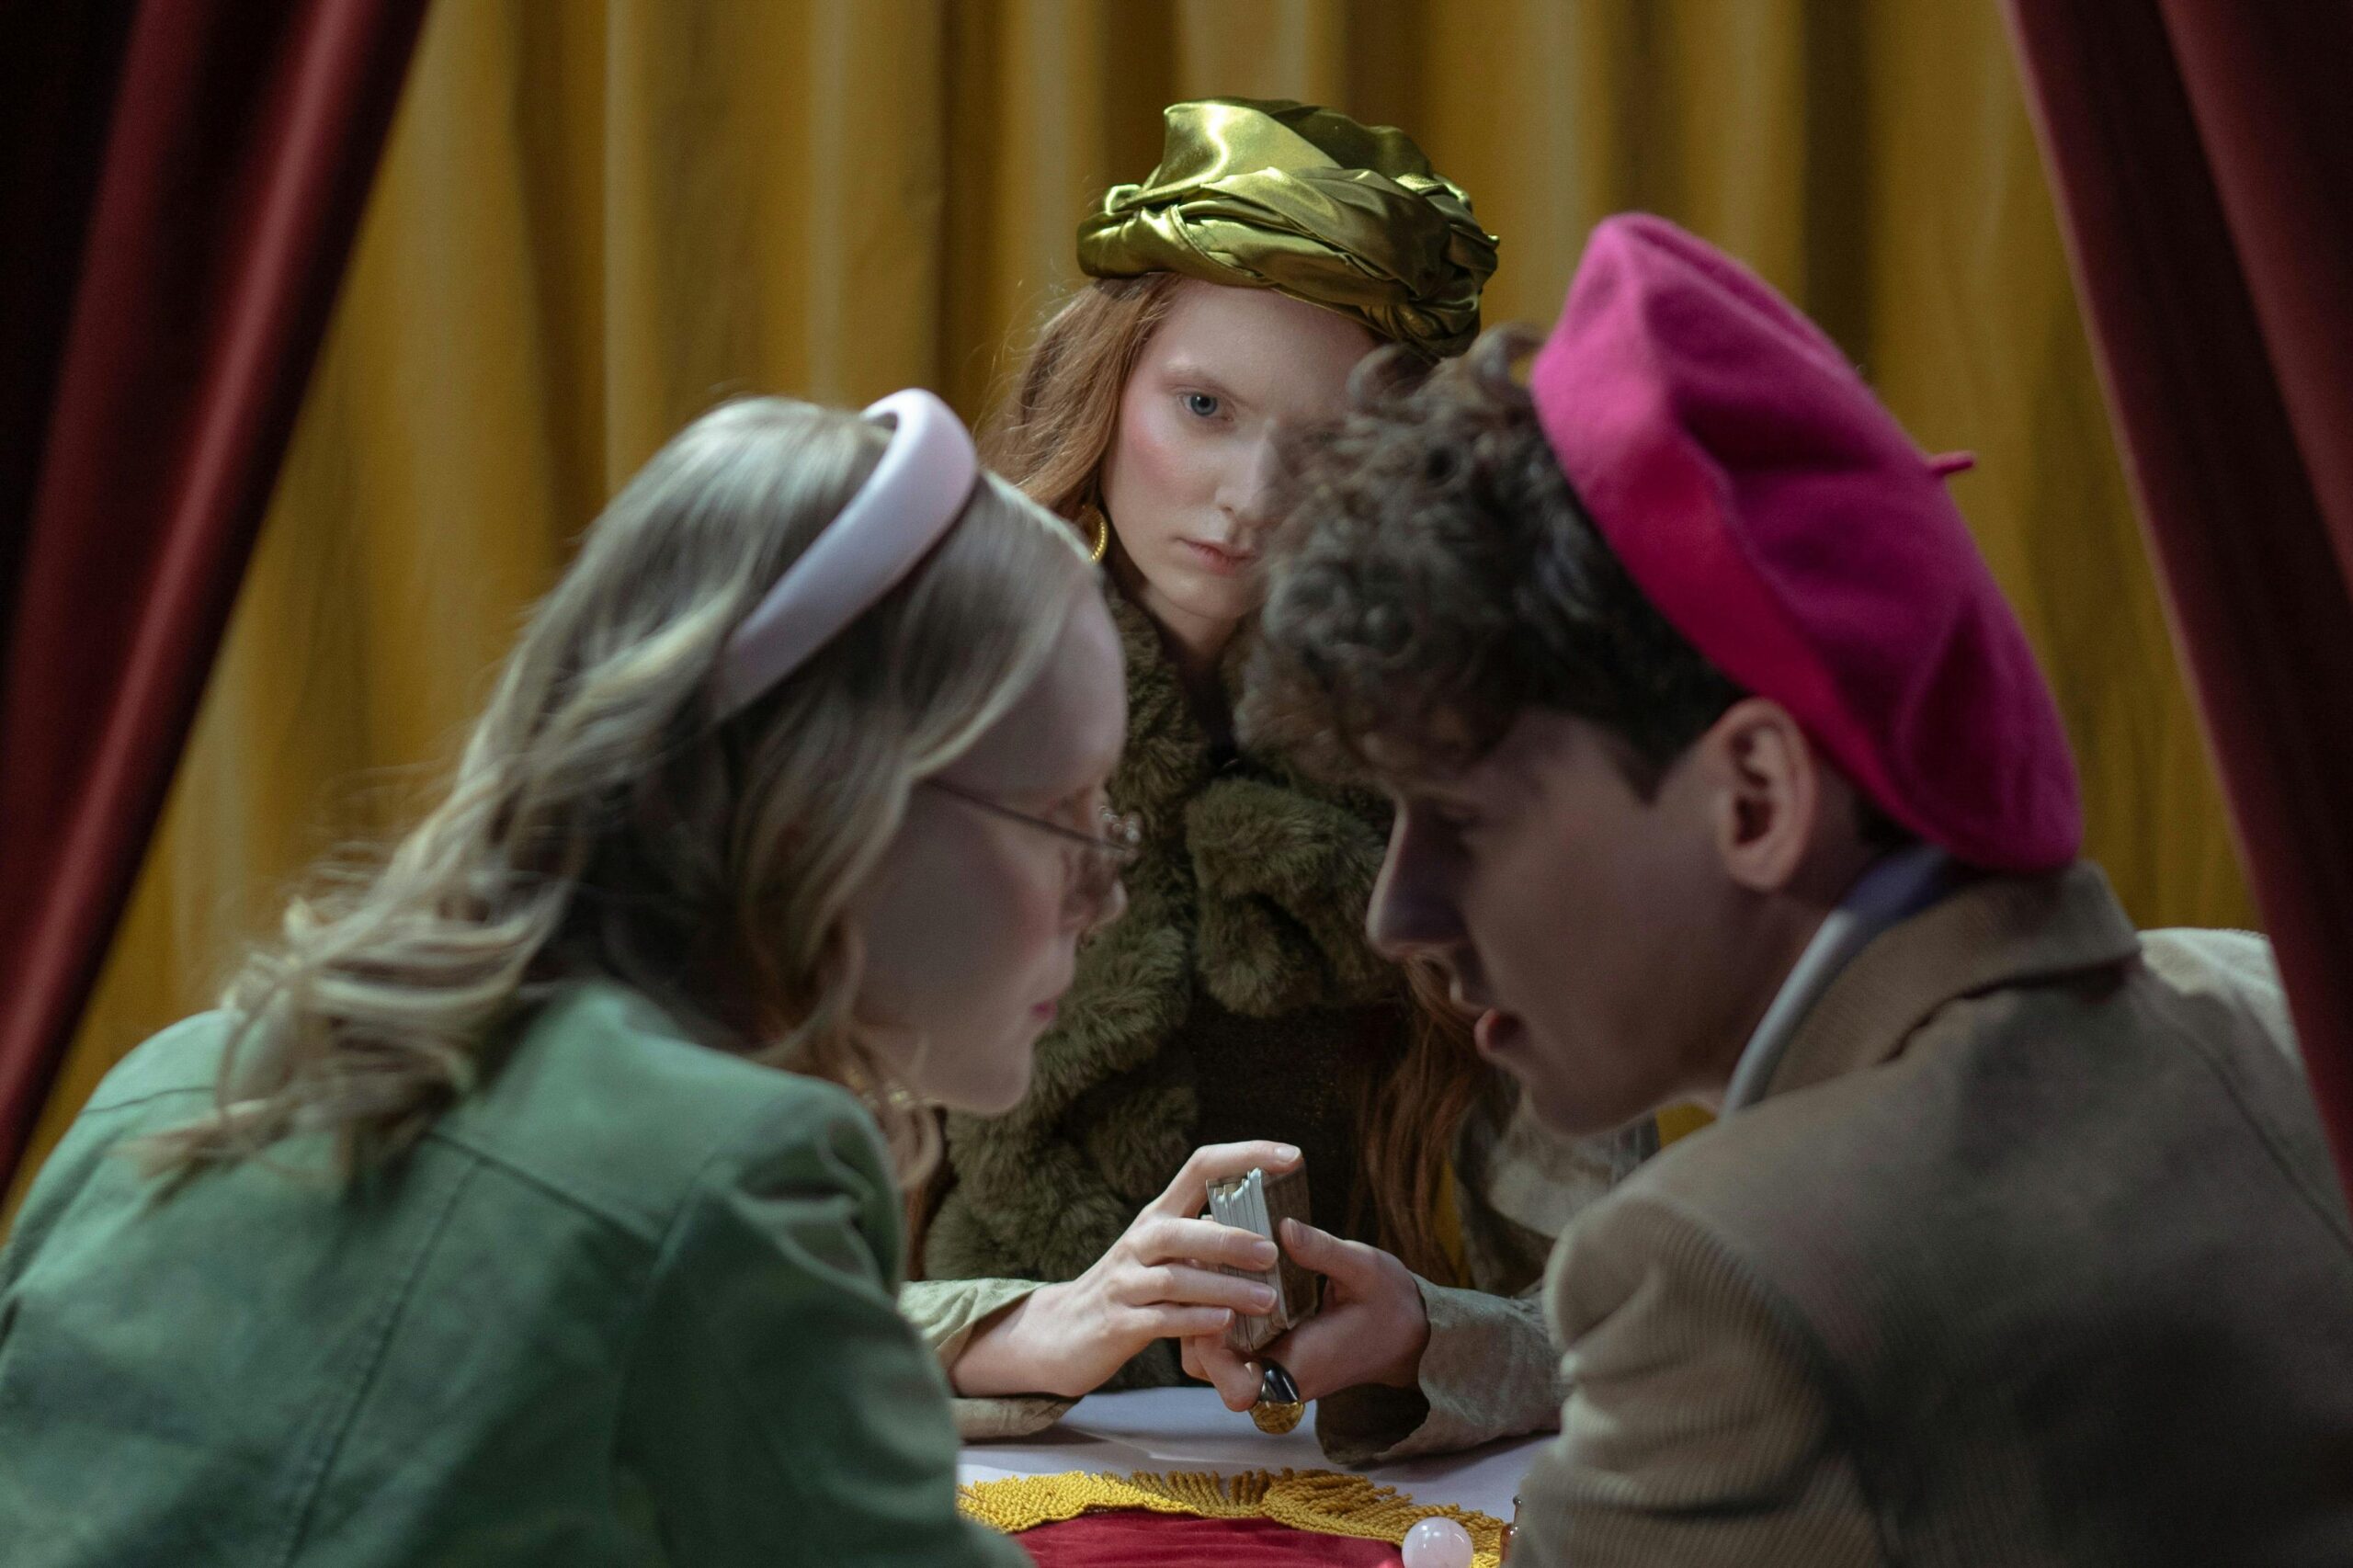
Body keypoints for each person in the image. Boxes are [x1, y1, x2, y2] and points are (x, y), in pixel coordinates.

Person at [1246, 213, 2353, 1562]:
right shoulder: (2282, 1007)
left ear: (1757, 799)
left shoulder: (1725, 1267)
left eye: (1464, 819)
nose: (1398, 914)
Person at [0, 392, 1120, 1565]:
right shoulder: (727, 1173)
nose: (1107, 894)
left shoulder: (166, 1085)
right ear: (825, 805)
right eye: (1063, 813)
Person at [907, 97, 1650, 1464]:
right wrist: (1035, 1328)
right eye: (1204, 407)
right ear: (1105, 383)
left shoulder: (1479, 770)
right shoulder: (913, 722)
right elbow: (722, 1283)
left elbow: (1622, 1312)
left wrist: (1424, 1336)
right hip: (948, 1468)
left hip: (1340, 1476)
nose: (1250, 496)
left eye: (1323, 447)